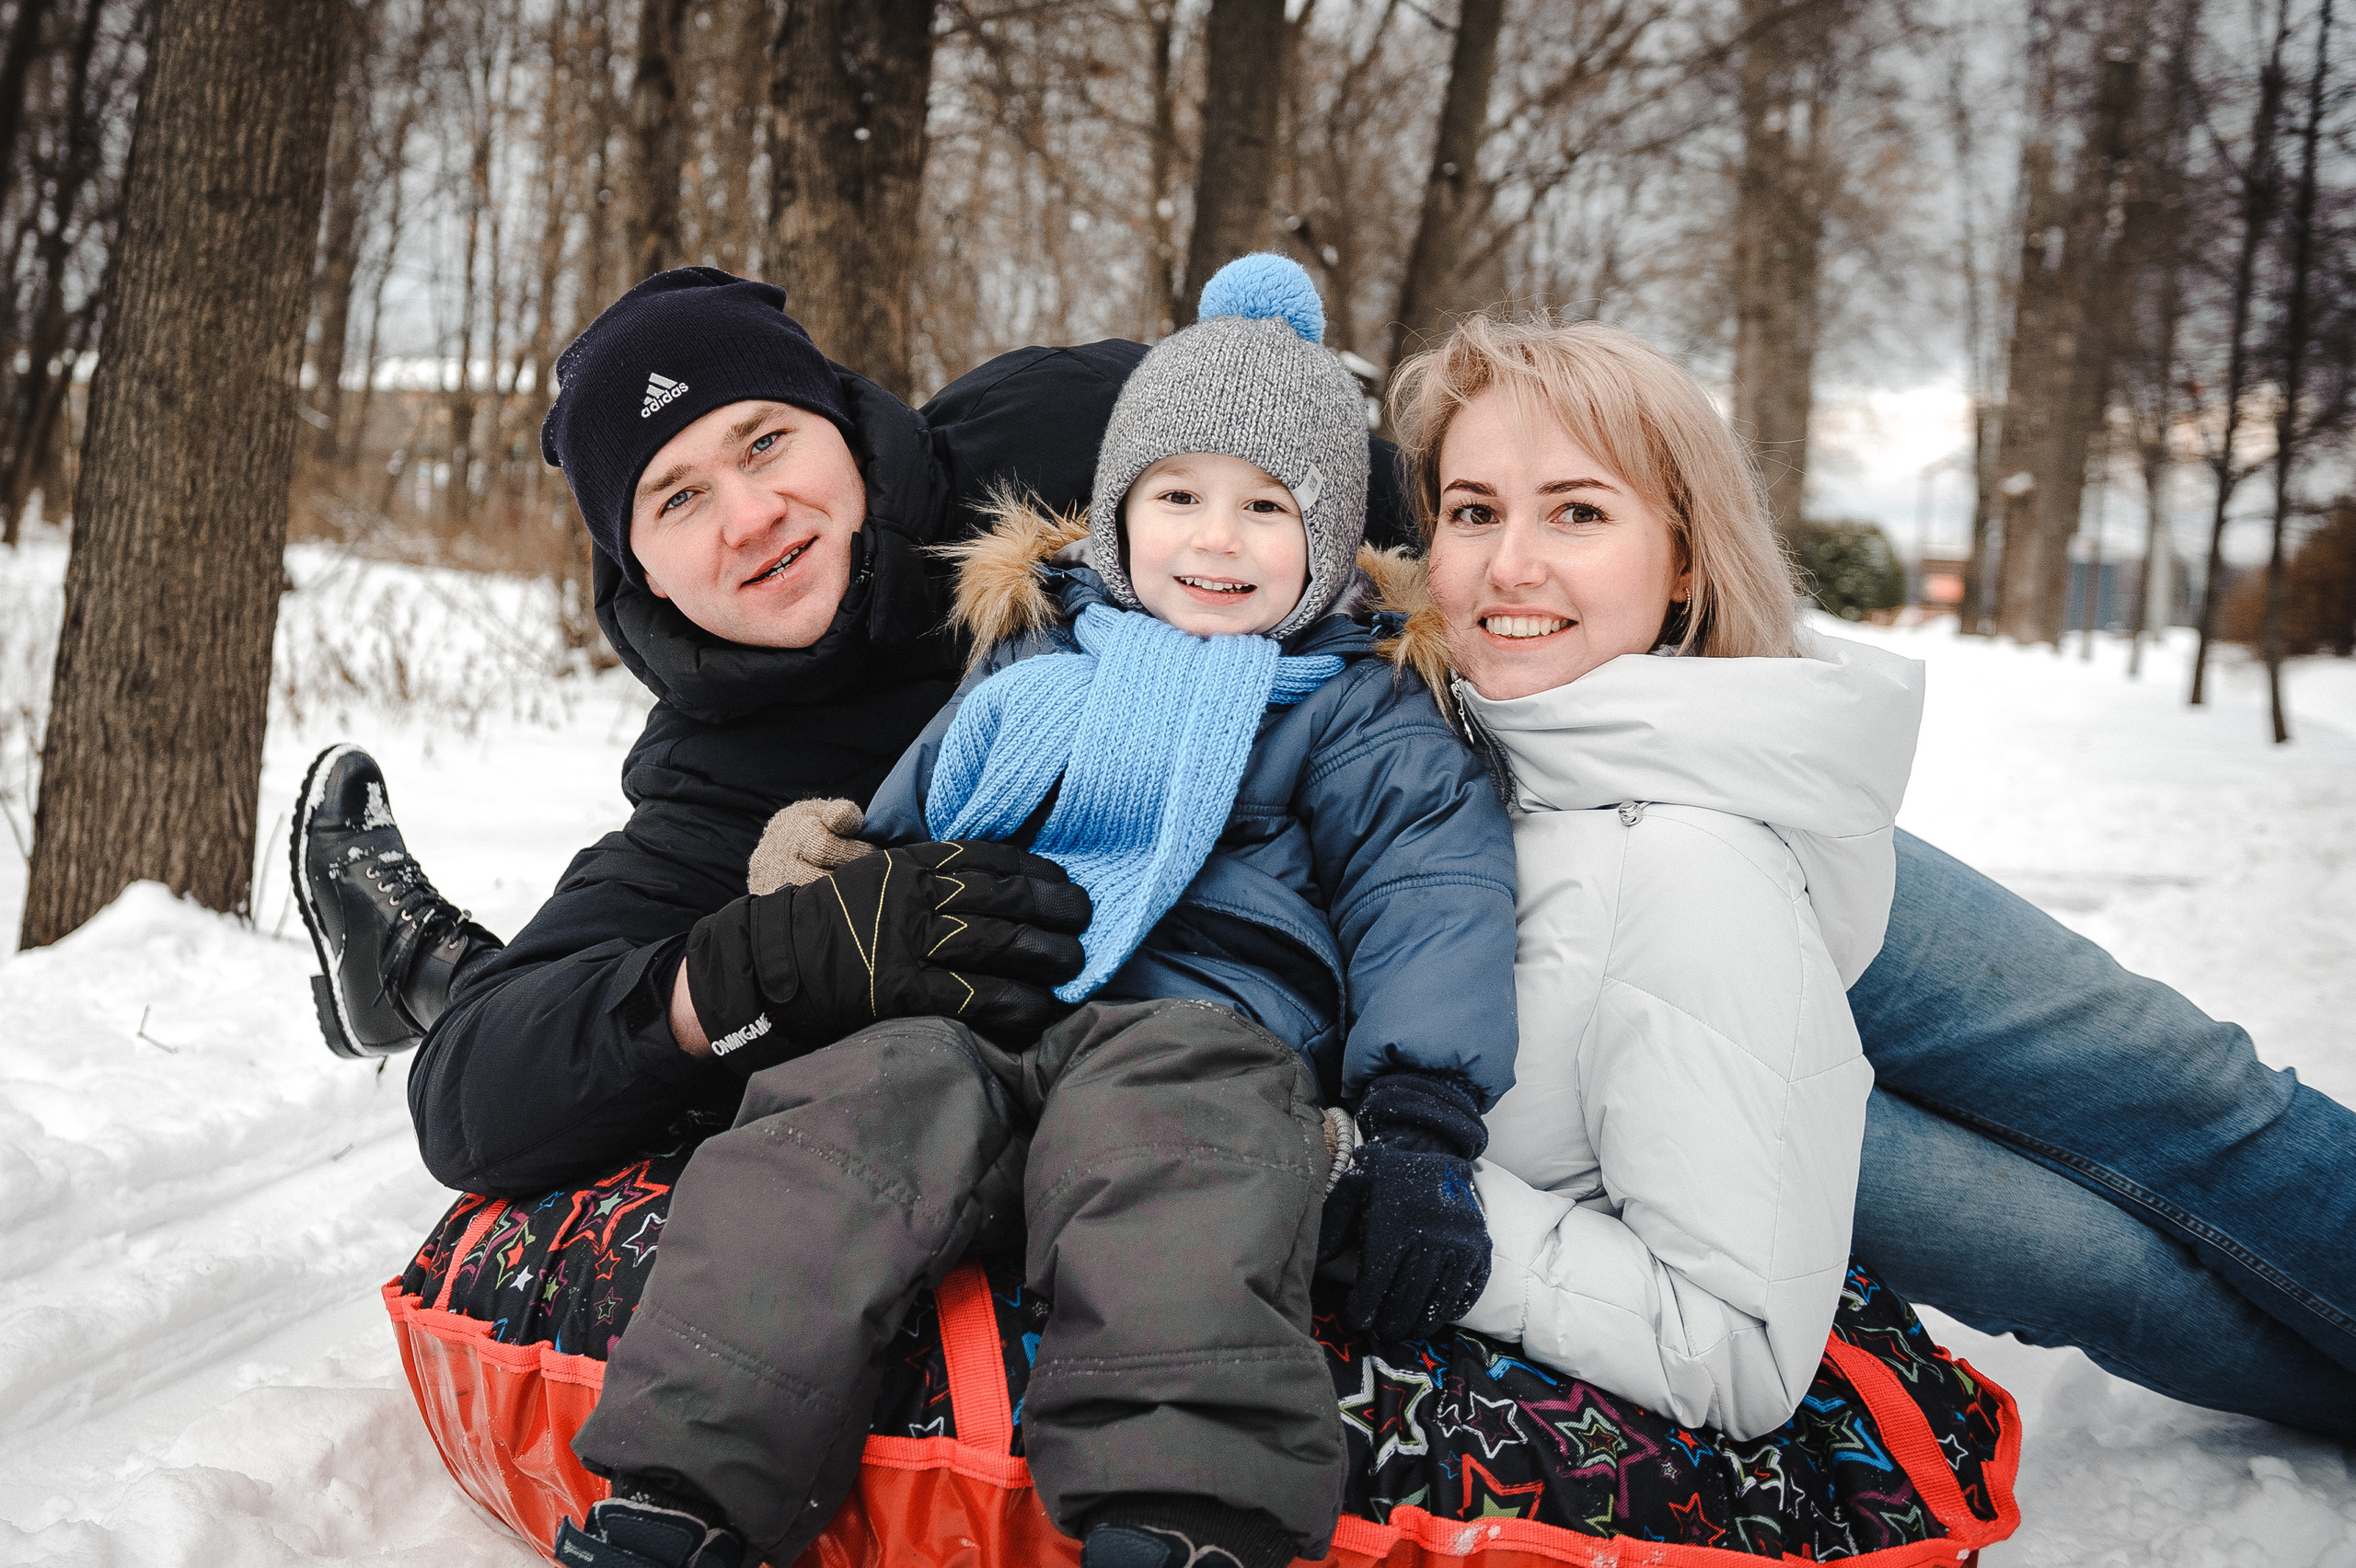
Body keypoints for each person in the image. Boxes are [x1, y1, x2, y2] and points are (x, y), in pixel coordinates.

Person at [298, 264, 2356, 1482]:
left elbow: (1351, 457)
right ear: (626, 566)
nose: (742, 513)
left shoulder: (1044, 426)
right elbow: (480, 1096)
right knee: (2037, 1247)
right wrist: (771, 956)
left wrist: (1498, 610)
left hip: (1594, 789)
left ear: (839, 417)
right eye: (669, 497)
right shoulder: (718, 775)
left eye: (761, 442)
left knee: (2164, 1085)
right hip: (1529, 1009)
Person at [557, 255, 1519, 1568]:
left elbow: (1430, 889)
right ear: (1117, 517)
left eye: (1266, 507)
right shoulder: (1035, 655)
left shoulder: (1350, 704)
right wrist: (827, 885)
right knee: (827, 1132)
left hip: (1202, 1020)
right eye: (1177, 496)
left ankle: (1182, 1512)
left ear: (1334, 537)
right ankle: (686, 1487)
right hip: (982, 1000)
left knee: (1190, 1166)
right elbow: (925, 808)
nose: (1216, 539)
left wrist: (1422, 1116)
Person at [1380, 315, 1923, 1438]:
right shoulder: (1438, 768)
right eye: (1474, 511)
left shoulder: (1683, 866)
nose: (1508, 563)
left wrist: (1408, 1202)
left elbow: (1734, 1347)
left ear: (1684, 560)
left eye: (1577, 511)